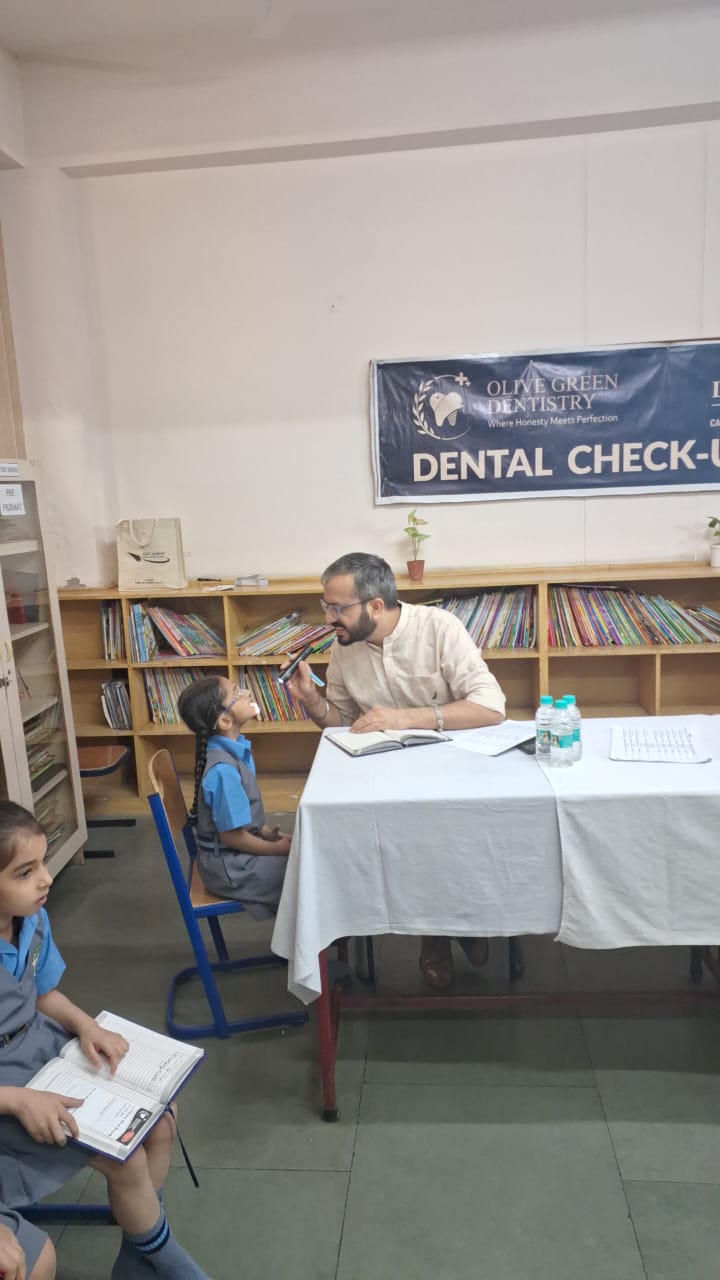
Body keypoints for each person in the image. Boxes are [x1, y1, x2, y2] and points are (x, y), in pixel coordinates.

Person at [0, 799, 210, 1280]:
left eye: (43, 862)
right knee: (127, 1148)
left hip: (40, 1048)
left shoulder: (32, 919)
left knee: (161, 1117)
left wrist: (85, 1025)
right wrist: (17, 1101)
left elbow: (41, 991)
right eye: (24, 872)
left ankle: (140, 1252)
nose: (45, 879)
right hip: (10, 1087)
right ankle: (159, 1253)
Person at [284, 551, 506, 990]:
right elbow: (342, 722)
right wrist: (311, 700)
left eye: (337, 608)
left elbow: (490, 707)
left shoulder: (438, 629)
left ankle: (447, 930)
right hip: (382, 771)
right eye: (326, 606)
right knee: (375, 835)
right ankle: (447, 927)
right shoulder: (343, 646)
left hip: (452, 769)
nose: (328, 619)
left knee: (439, 831)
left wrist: (406, 718)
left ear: (376, 607)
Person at [177, 675, 291, 914]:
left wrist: (266, 834)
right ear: (225, 720)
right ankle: (309, 947)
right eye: (237, 692)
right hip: (230, 869)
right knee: (309, 877)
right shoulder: (224, 771)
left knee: (308, 865)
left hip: (232, 859)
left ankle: (310, 942)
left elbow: (237, 823)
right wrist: (276, 850)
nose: (248, 692)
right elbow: (232, 837)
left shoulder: (231, 753)